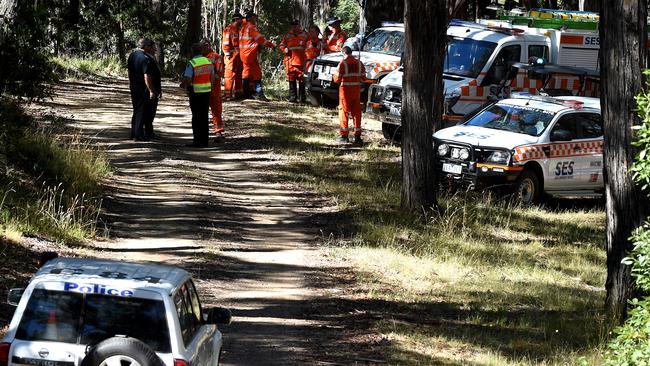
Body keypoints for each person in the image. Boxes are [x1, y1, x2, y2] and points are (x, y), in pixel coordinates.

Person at [180, 42, 215, 147]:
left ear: (192, 52)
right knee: (204, 116)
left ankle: (197, 141)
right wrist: (210, 88)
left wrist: (183, 85)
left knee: (196, 117)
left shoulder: (192, 63)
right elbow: (212, 77)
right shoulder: (208, 61)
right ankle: (204, 142)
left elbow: (188, 78)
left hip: (195, 92)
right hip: (206, 92)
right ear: (201, 51)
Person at [127, 38, 161, 141]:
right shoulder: (145, 59)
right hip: (144, 89)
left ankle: (138, 132)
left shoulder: (132, 55)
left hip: (135, 87)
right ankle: (138, 134)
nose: (154, 48)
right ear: (146, 46)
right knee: (145, 111)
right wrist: (151, 90)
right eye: (152, 46)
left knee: (137, 109)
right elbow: (147, 76)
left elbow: (129, 72)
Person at [333, 46, 367, 145]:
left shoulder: (343, 63)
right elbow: (364, 78)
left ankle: (344, 136)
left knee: (344, 112)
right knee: (356, 113)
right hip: (356, 92)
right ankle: (357, 136)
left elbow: (336, 79)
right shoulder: (359, 63)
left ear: (344, 53)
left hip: (345, 92)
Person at [239, 10, 276, 100]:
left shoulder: (243, 27)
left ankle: (246, 94)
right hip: (249, 55)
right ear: (251, 18)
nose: (256, 19)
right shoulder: (250, 27)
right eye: (254, 17)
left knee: (246, 74)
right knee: (257, 73)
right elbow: (260, 39)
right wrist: (271, 45)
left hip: (244, 54)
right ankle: (259, 94)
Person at [202, 38, 226, 142]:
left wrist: (209, 77)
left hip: (214, 90)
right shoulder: (200, 58)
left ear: (208, 45)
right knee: (201, 112)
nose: (203, 48)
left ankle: (218, 133)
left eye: (204, 45)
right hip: (201, 89)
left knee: (216, 112)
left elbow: (219, 73)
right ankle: (202, 134)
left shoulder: (217, 57)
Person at [279, 20, 308, 103]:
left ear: (299, 25)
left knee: (301, 79)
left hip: (301, 61)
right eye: (293, 25)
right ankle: (293, 97)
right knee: (291, 79)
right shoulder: (287, 35)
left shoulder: (305, 34)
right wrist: (284, 49)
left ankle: (302, 98)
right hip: (290, 61)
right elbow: (281, 44)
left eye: (296, 25)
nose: (294, 27)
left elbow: (310, 44)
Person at [222, 11, 244, 100]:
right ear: (236, 19)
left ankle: (238, 94)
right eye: (240, 19)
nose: (242, 21)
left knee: (238, 74)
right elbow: (226, 42)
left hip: (239, 56)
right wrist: (227, 53)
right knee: (229, 74)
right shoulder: (229, 29)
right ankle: (228, 94)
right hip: (231, 56)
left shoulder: (240, 30)